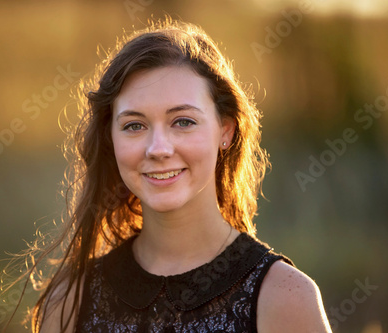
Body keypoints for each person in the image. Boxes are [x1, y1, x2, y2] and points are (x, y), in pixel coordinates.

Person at [33, 17, 332, 333]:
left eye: (183, 122)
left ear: (225, 131)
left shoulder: (285, 298)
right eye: (134, 125)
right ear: (111, 138)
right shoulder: (68, 301)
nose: (158, 148)